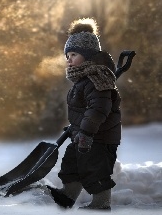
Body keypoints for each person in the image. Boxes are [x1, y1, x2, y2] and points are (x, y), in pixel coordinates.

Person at [47, 18, 121, 211]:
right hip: (83, 134)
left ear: (88, 57)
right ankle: (67, 195)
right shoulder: (83, 79)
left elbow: (98, 109)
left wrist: (87, 131)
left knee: (95, 168)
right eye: (67, 55)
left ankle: (101, 202)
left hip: (98, 137)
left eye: (73, 54)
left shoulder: (97, 78)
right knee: (71, 163)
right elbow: (83, 109)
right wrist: (77, 126)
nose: (69, 59)